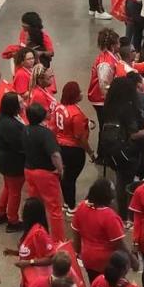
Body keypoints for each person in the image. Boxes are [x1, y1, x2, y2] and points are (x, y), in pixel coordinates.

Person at [102, 77, 144, 221]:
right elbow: (134, 135)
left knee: (121, 180)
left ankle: (122, 213)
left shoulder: (109, 106)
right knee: (126, 184)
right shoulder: (127, 109)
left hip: (113, 152)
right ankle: (129, 215)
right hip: (128, 153)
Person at [70, 179, 129, 282]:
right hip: (107, 262)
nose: (114, 192)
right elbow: (119, 244)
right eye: (112, 190)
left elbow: (76, 233)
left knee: (94, 285)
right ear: (106, 195)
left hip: (88, 258)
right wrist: (132, 260)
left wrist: (77, 253)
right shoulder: (110, 216)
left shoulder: (81, 207)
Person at [24, 103, 66, 242]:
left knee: (36, 206)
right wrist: (60, 170)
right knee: (54, 209)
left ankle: (37, 236)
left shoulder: (25, 130)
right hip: (45, 174)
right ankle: (58, 240)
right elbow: (55, 155)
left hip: (29, 171)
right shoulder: (46, 133)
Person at [54, 81, 95, 213]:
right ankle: (71, 207)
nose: (81, 94)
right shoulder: (76, 114)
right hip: (73, 150)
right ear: (74, 95)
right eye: (79, 92)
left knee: (64, 176)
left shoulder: (59, 108)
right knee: (71, 178)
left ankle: (66, 202)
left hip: (60, 146)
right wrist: (91, 152)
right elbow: (80, 137)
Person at [0, 91, 26, 231]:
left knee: (8, 187)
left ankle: (0, 212)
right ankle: (13, 220)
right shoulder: (10, 125)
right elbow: (19, 145)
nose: (23, 104)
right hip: (13, 163)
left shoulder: (3, 119)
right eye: (20, 102)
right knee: (15, 192)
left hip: (5, 161)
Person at [87, 29, 121, 126]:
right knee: (106, 126)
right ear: (112, 46)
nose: (120, 45)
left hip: (103, 98)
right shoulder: (106, 63)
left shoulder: (112, 56)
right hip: (102, 100)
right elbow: (104, 86)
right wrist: (111, 102)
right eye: (118, 43)